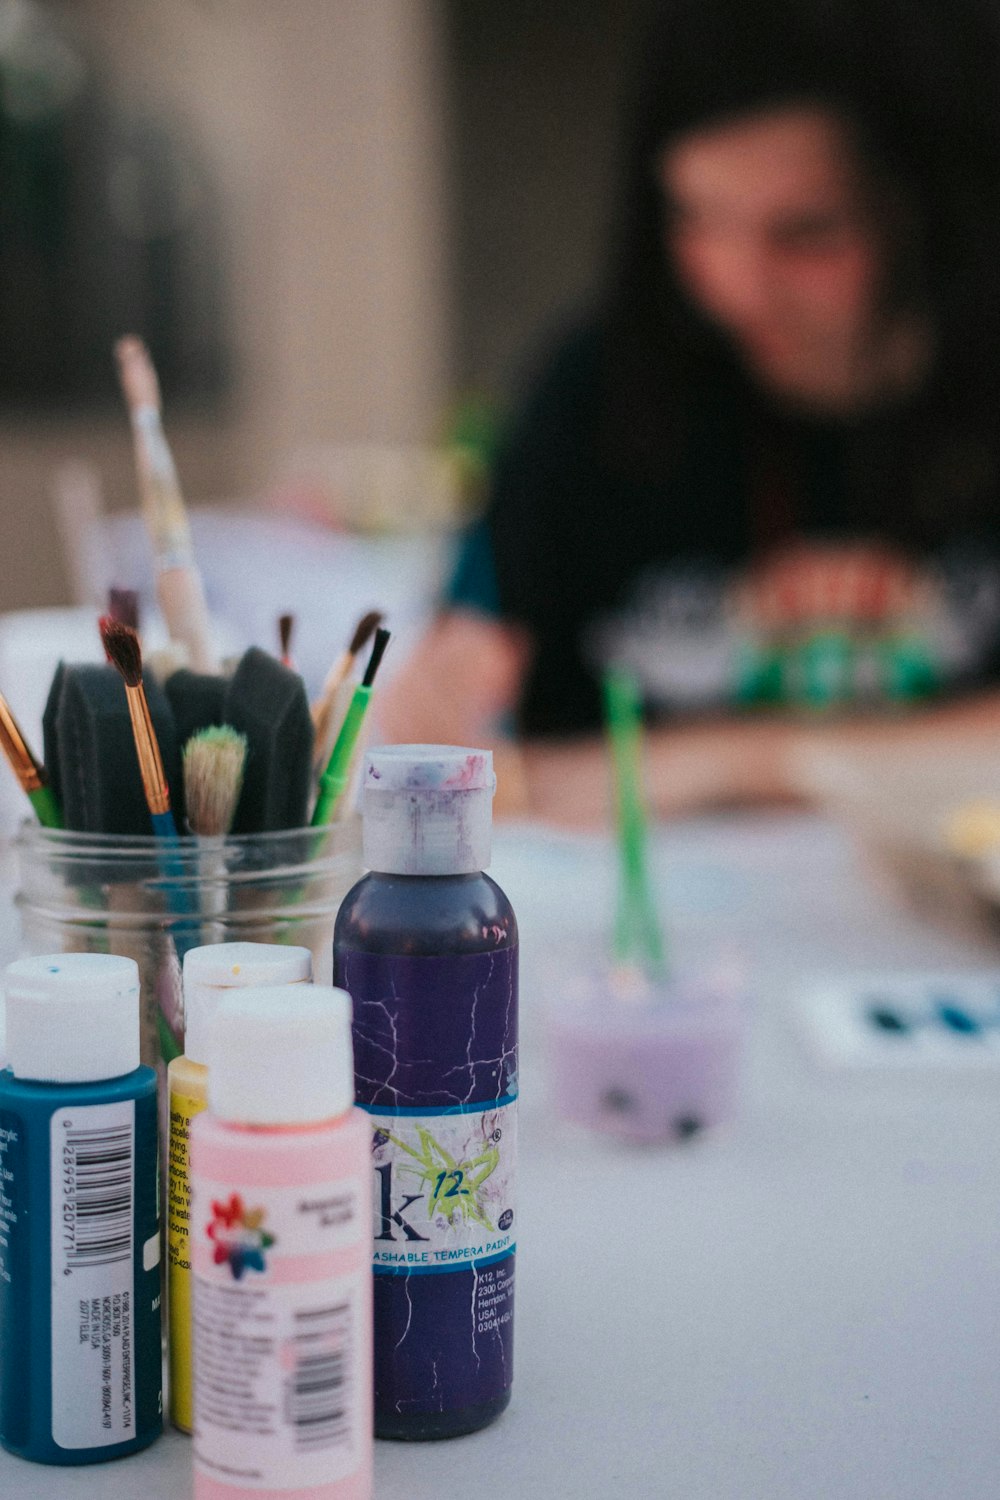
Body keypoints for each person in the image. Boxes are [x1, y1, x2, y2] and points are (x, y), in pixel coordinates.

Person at [381, 0, 1000, 824]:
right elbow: (478, 673)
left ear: (936, 212)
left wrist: (744, 759)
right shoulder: (597, 394)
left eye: (807, 233)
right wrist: (454, 684)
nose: (738, 289)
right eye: (694, 218)